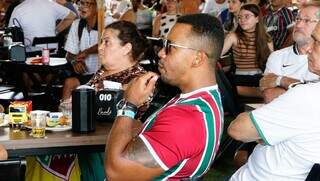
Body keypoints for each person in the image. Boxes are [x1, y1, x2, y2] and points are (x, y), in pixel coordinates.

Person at [105, 13, 224, 180]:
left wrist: (129, 104)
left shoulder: (187, 118)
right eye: (162, 44)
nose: (161, 53)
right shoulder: (200, 100)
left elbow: (116, 173)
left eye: (170, 47)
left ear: (197, 58)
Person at [227, 21, 320, 181]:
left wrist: (268, 131)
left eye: (317, 41)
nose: (310, 48)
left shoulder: (307, 95)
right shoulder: (307, 91)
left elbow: (238, 130)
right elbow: (270, 94)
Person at [79, 20, 149, 181]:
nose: (100, 47)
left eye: (107, 42)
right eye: (101, 42)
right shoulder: (104, 71)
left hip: (108, 150)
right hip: (86, 142)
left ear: (126, 48)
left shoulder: (138, 80)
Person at [260, 2, 320, 103]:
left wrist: (282, 80)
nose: (299, 25)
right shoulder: (277, 56)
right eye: (298, 19)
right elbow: (270, 96)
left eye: (306, 20)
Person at [221, 4, 273, 98]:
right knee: (269, 94)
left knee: (272, 91)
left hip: (261, 79)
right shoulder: (233, 36)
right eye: (240, 17)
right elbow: (217, 54)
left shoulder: (266, 38)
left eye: (247, 16)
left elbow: (273, 62)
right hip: (241, 80)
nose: (242, 20)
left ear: (257, 19)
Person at [61, 0, 99, 100]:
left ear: (98, 7)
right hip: (85, 75)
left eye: (87, 3)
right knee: (69, 83)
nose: (82, 7)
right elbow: (69, 54)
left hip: (103, 74)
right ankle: (64, 113)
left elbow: (105, 44)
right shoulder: (77, 24)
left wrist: (86, 52)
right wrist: (74, 61)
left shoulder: (107, 23)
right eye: (81, 3)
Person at [8, 0, 76, 50]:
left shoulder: (18, 9)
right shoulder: (51, 4)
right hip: (52, 52)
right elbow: (72, 16)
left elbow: (10, 35)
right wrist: (56, 31)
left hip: (31, 53)